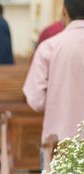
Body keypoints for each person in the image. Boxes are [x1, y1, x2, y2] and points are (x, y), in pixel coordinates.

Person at [23, 0, 84, 142]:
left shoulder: (49, 46)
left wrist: (57, 100)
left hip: (60, 138)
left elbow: (35, 99)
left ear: (64, 11)